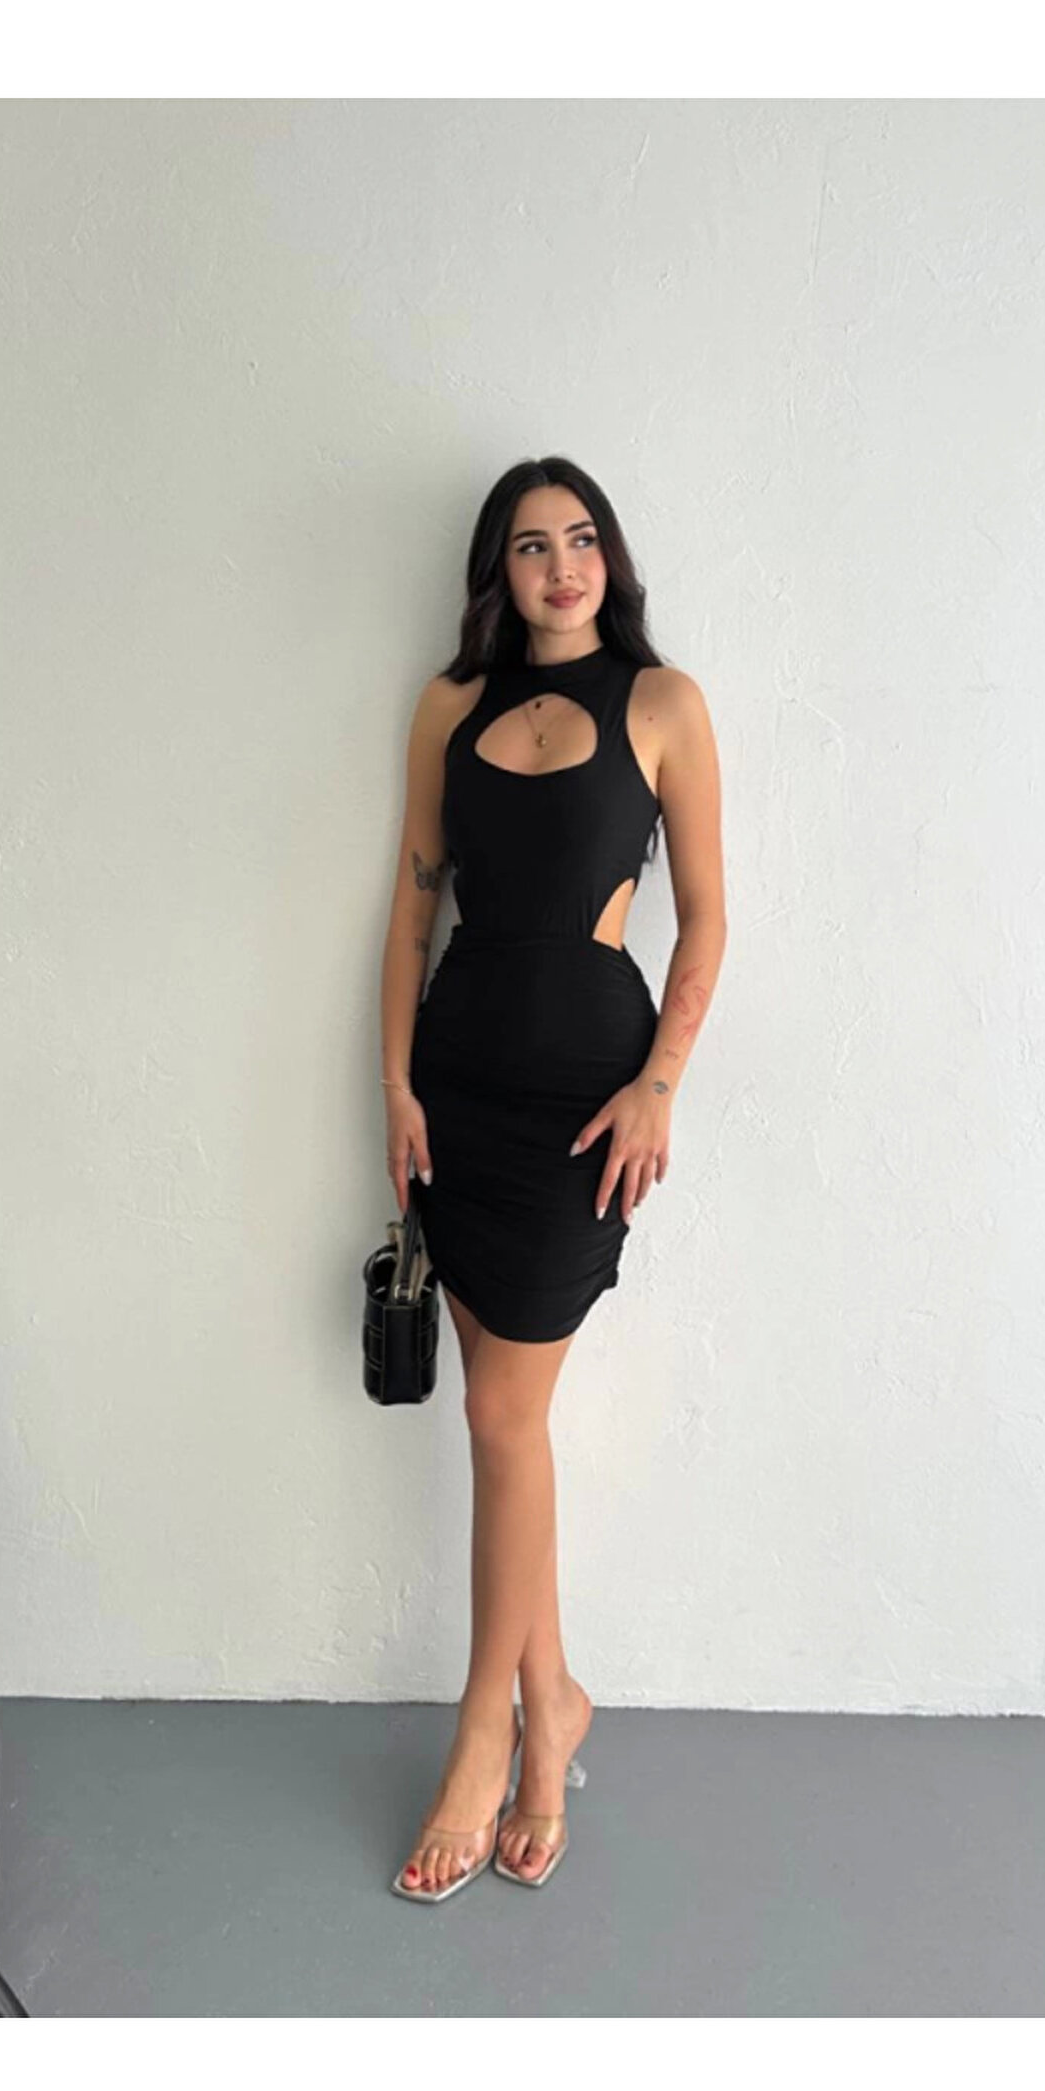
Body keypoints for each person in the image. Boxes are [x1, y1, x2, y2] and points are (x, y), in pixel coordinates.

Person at [379, 455, 727, 1900]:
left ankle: (486, 1735)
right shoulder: (448, 708)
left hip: (586, 1110)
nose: (562, 566)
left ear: (611, 560)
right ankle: (553, 1702)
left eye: (582, 540)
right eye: (532, 546)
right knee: (504, 1425)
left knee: (503, 1416)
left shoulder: (664, 704)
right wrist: (395, 1085)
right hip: (457, 1090)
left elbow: (707, 918)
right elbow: (412, 910)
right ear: (499, 572)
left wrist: (661, 1084)